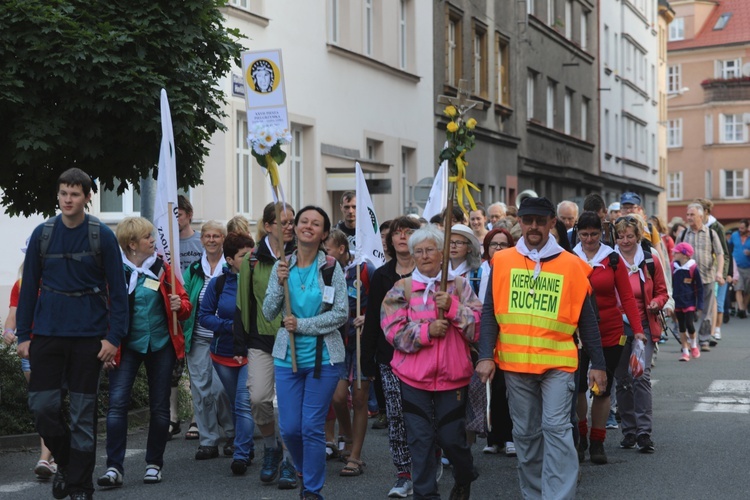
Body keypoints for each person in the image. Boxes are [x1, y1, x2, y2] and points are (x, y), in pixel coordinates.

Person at [476, 196, 606, 500]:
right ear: (520, 222)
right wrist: (484, 356)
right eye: (527, 220)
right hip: (515, 365)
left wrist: (598, 363)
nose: (533, 227)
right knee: (525, 434)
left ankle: (557, 496)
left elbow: (587, 320)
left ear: (551, 223)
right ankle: (535, 494)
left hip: (558, 364)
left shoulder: (572, 265)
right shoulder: (503, 260)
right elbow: (489, 312)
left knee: (557, 429)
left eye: (540, 221)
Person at [16, 168, 129, 500]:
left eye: (75, 194)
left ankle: (80, 486)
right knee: (41, 407)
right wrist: (24, 335)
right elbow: (28, 290)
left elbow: (119, 294)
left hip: (88, 338)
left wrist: (113, 338)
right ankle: (66, 463)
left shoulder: (101, 236)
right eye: (64, 193)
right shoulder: (43, 234)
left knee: (82, 414)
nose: (68, 199)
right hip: (47, 335)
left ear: (87, 197)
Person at [381, 224, 481, 500]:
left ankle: (464, 475)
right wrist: (425, 332)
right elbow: (391, 331)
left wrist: (452, 308)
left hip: (453, 378)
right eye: (419, 251)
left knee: (452, 440)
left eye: (430, 250)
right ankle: (426, 495)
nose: (424, 256)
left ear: (442, 254)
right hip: (413, 379)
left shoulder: (460, 286)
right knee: (421, 442)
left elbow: (479, 328)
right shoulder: (401, 289)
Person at [98, 217, 191, 487]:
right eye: (148, 237)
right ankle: (114, 468)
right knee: (116, 406)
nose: (153, 240)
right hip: (126, 346)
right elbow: (103, 312)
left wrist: (179, 304)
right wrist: (105, 346)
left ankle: (154, 464)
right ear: (131, 244)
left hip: (161, 345)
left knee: (160, 407)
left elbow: (185, 306)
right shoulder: (114, 272)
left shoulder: (162, 269)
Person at [263, 205, 348, 500]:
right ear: (295, 228)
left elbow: (340, 314)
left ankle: (312, 490)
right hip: (287, 358)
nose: (308, 226)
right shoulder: (280, 266)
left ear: (324, 233)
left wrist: (302, 324)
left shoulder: (331, 267)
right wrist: (278, 282)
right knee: (289, 429)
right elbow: (269, 310)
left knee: (311, 426)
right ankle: (302, 471)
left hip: (324, 358)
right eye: (304, 221)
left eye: (316, 223)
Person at [234, 202, 298, 488]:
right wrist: (241, 341)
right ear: (268, 225)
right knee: (258, 398)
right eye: (283, 222)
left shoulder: (302, 255)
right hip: (261, 339)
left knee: (287, 405)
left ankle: (289, 459)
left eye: (292, 222)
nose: (289, 227)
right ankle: (270, 448)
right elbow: (244, 300)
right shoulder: (252, 259)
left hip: (295, 339)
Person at [571, 212, 644, 465]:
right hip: (577, 333)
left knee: (601, 389)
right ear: (577, 234)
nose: (589, 239)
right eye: (584, 235)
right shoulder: (569, 258)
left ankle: (598, 442)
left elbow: (626, 297)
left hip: (610, 331)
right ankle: (580, 439)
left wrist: (639, 331)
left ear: (601, 233)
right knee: (579, 387)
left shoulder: (612, 259)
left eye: (594, 234)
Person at [361, 215, 420, 498]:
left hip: (424, 356)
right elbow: (372, 318)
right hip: (390, 358)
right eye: (398, 232)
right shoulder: (382, 275)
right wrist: (367, 359)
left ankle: (428, 462)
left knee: (422, 416)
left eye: (409, 232)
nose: (402, 237)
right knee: (396, 416)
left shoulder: (429, 271)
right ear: (390, 239)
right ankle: (404, 474)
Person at [198, 232, 256, 475]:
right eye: (244, 256)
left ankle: (241, 455)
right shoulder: (218, 283)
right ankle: (247, 444)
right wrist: (229, 326)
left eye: (252, 255)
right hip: (223, 353)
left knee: (243, 403)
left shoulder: (259, 280)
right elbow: (204, 316)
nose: (251, 260)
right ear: (230, 259)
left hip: (252, 352)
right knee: (234, 403)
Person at [613, 215, 669, 453]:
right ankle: (629, 431)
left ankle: (644, 433)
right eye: (621, 236)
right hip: (616, 326)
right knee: (622, 379)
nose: (625, 240)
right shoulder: (610, 260)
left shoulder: (650, 260)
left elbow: (662, 292)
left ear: (638, 237)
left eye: (629, 236)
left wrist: (656, 302)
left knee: (640, 376)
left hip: (643, 326)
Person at [182, 221, 235, 460]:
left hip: (225, 339)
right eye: (207, 236)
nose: (211, 240)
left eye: (216, 236)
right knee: (201, 391)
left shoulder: (232, 268)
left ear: (223, 239)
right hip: (199, 339)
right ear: (201, 240)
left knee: (221, 389)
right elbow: (185, 298)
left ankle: (233, 433)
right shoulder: (194, 269)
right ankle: (208, 440)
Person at [325, 229, 374, 477]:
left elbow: (382, 300)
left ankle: (355, 455)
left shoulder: (364, 270)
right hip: (338, 341)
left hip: (361, 342)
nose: (325, 254)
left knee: (359, 397)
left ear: (342, 250)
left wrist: (367, 317)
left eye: (329, 250)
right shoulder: (326, 271)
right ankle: (346, 433)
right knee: (337, 397)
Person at [2, 261, 57, 479]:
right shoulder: (22, 284)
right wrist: (8, 330)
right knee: (41, 405)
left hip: (55, 349)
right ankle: (53, 456)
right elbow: (13, 313)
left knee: (50, 402)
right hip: (29, 350)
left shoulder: (58, 282)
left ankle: (46, 456)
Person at [476, 228, 516, 458]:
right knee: (491, 388)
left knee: (507, 388)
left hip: (509, 334)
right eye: (494, 244)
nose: (498, 249)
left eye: (503, 244)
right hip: (485, 332)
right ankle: (494, 437)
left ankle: (510, 436)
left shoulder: (514, 268)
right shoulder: (480, 269)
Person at [676, 203, 724, 351]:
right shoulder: (683, 234)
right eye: (688, 215)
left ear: (701, 216)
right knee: (686, 310)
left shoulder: (711, 233)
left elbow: (720, 253)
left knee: (707, 311)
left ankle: (703, 340)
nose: (689, 218)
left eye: (692, 215)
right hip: (687, 280)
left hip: (707, 277)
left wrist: (719, 272)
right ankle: (688, 340)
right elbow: (675, 254)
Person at [173, 194, 202, 441]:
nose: (176, 219)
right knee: (172, 368)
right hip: (172, 311)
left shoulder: (200, 242)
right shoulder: (165, 243)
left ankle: (196, 415)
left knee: (195, 368)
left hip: (195, 311)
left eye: (179, 214)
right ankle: (172, 418)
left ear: (188, 215)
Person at [672, 242, 704, 361]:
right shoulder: (673, 266)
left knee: (690, 325)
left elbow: (700, 287)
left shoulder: (693, 268)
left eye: (677, 252)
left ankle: (694, 345)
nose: (674, 253)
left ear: (685, 255)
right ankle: (685, 351)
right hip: (677, 301)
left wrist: (699, 304)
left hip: (690, 302)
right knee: (681, 326)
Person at [448, 224, 482, 295]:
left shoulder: (479, 274)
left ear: (469, 248)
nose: (453, 246)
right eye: (450, 242)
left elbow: (482, 303)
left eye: (459, 243)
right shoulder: (438, 270)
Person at [730, 219, 750, 318]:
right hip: (736, 267)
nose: (740, 229)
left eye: (742, 228)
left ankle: (744, 308)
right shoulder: (734, 235)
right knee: (738, 288)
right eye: (739, 227)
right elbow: (729, 247)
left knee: (747, 290)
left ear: (747, 228)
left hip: (748, 267)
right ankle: (741, 310)